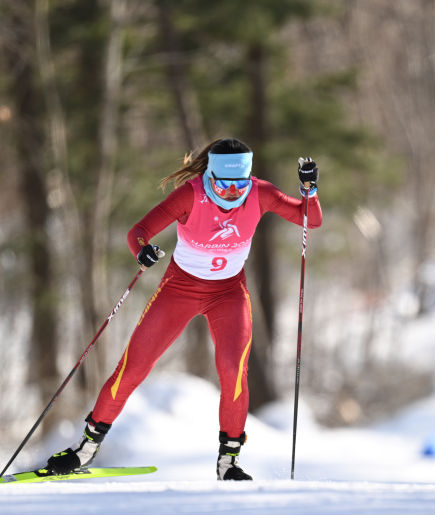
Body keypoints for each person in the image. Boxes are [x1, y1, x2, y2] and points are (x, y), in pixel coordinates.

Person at [46, 138, 321, 480]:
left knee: (233, 373)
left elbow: (310, 219)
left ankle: (228, 463)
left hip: (229, 293)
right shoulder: (191, 195)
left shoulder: (259, 193)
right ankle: (85, 449)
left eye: (240, 183)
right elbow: (139, 231)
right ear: (211, 176)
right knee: (134, 367)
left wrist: (309, 190)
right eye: (225, 183)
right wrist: (142, 251)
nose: (234, 191)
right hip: (180, 289)